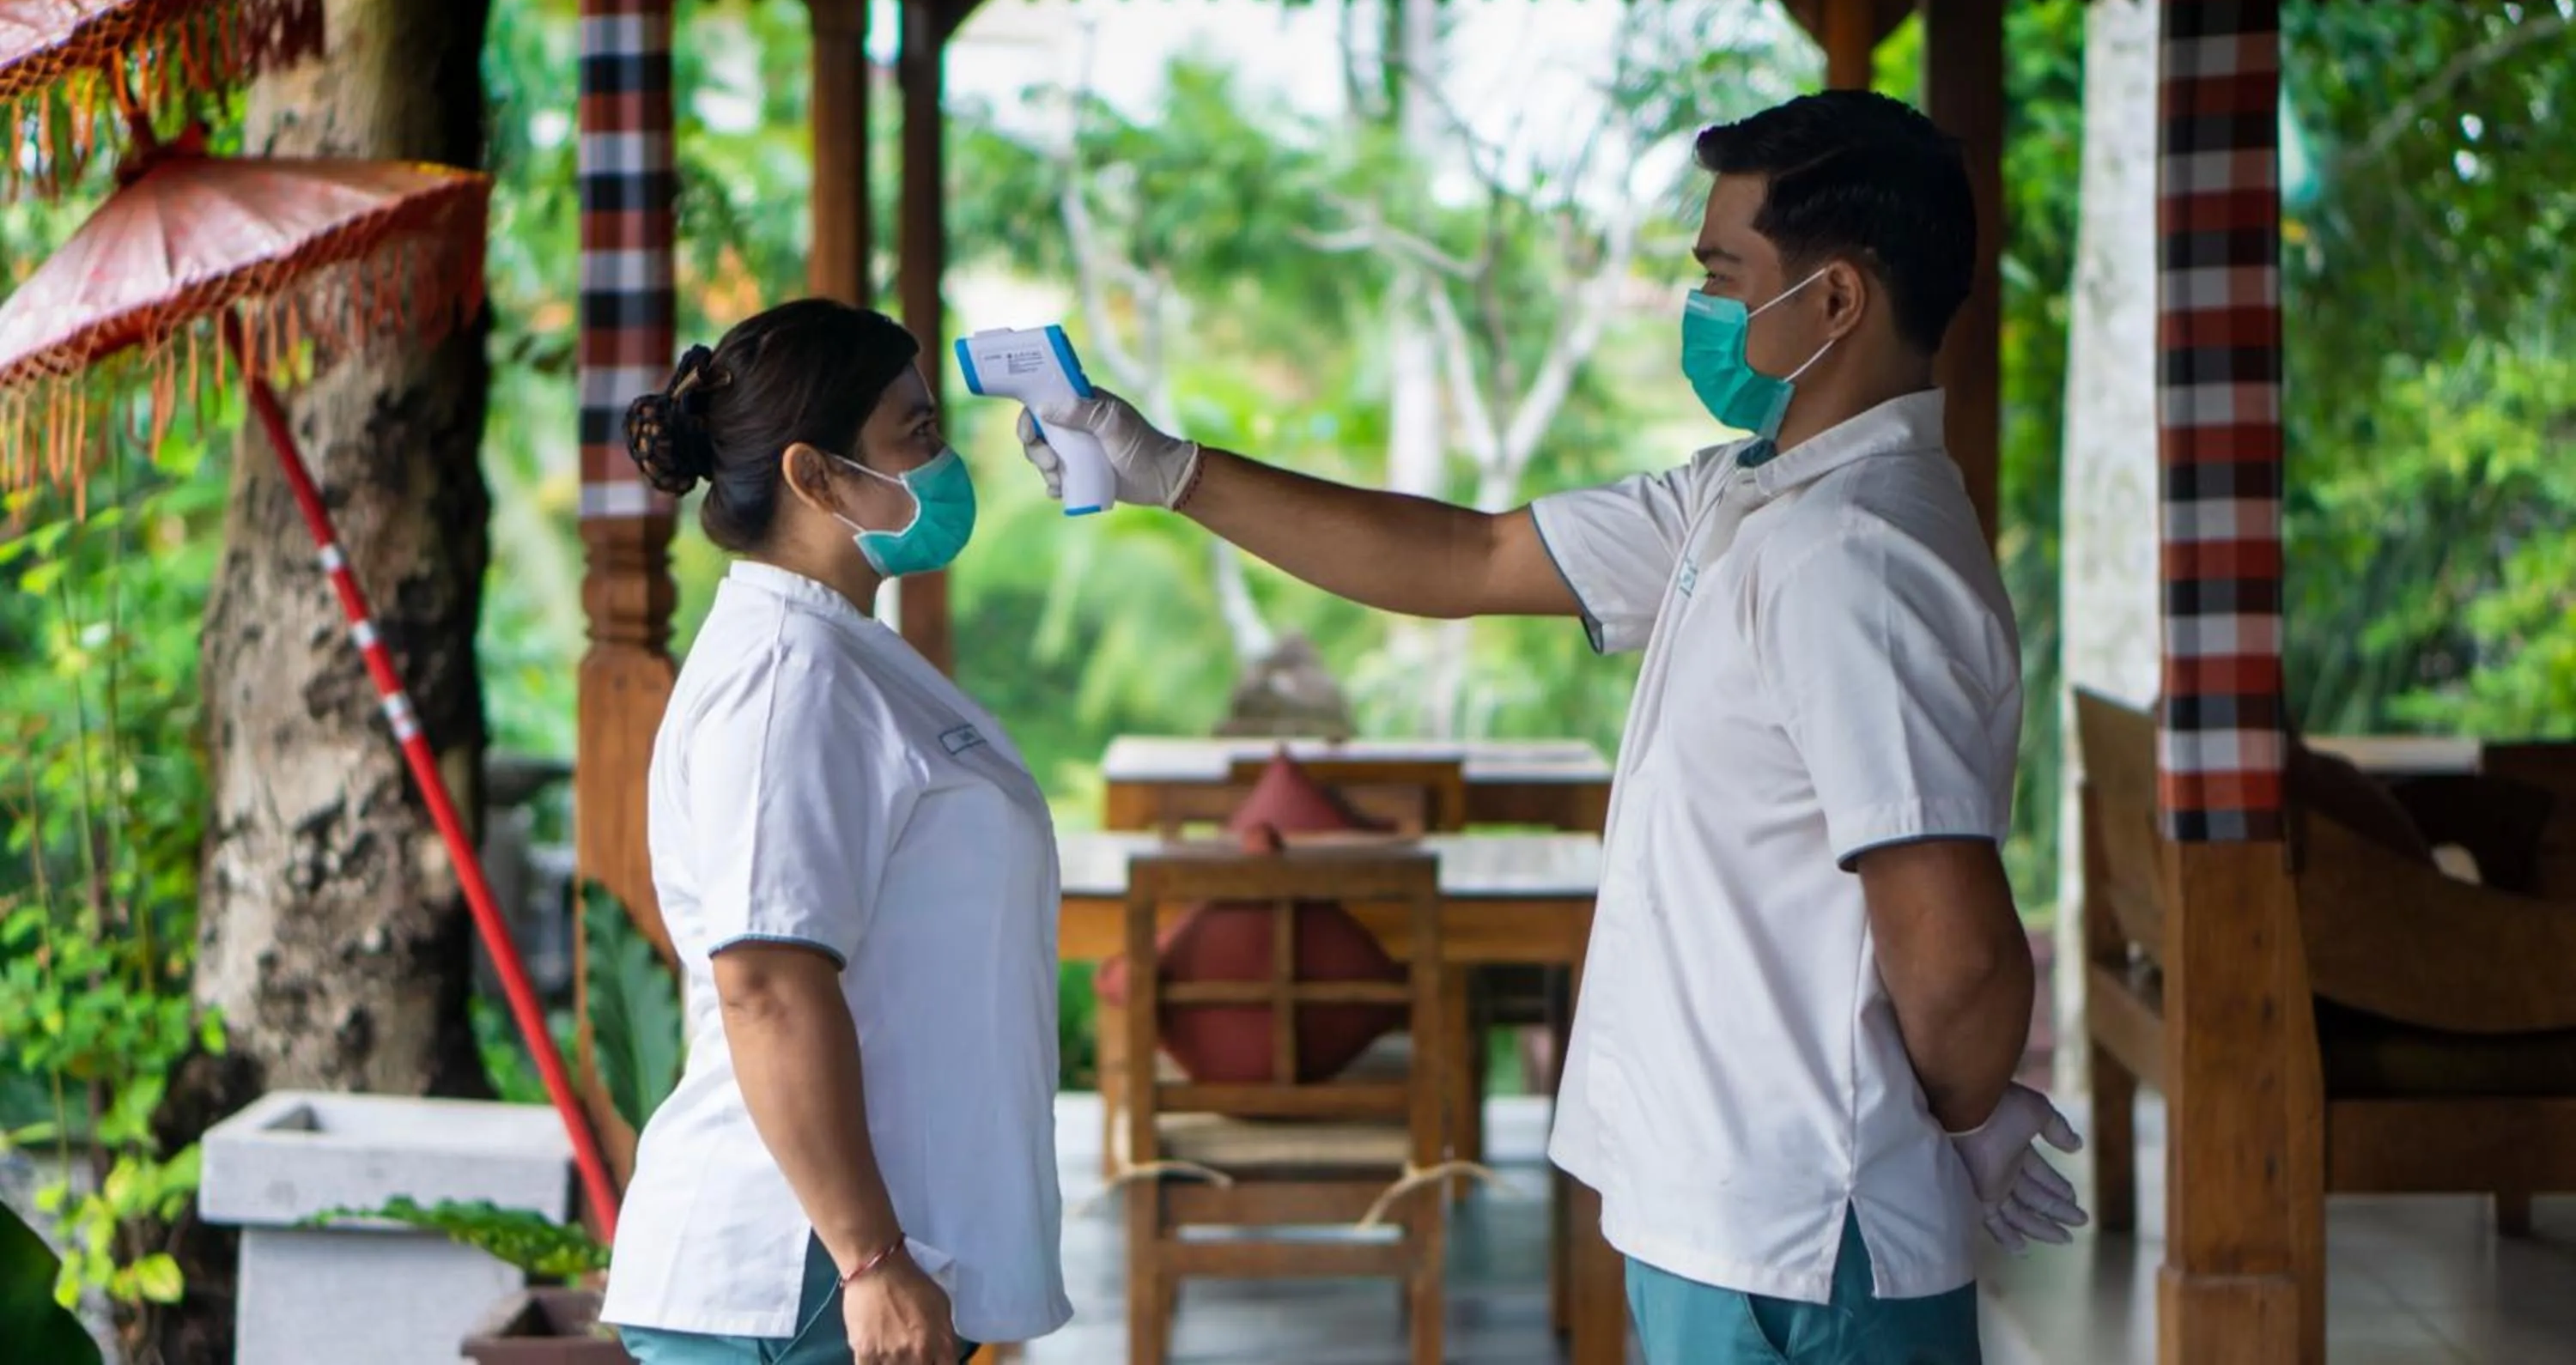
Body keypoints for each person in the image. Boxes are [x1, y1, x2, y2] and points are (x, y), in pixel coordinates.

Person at [1015, 91, 2084, 1363]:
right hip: (1732, 1223)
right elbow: (1465, 557)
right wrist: (1169, 470)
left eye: (1722, 274)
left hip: (1805, 1240)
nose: (1702, 306)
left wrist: (1963, 1123)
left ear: (1837, 302)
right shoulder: (1745, 501)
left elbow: (1955, 953)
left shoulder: (1855, 557)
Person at [600, 299, 1072, 1365]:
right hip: (803, 1269)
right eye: (916, 434)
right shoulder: (784, 677)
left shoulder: (837, 650)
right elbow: (764, 979)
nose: (945, 461)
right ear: (815, 477)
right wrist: (867, 1260)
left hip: (857, 1254)